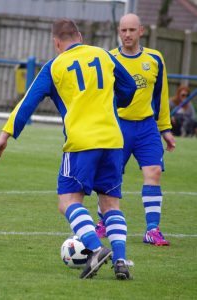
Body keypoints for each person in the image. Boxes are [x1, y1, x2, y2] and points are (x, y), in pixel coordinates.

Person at [0, 19, 136, 280]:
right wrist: (114, 102)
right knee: (111, 204)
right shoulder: (103, 55)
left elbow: (28, 101)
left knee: (67, 201)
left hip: (81, 143)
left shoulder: (55, 66)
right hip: (114, 140)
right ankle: (121, 261)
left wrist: (5, 135)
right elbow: (129, 88)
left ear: (56, 42)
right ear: (79, 36)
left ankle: (95, 248)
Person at [95, 13, 176, 246]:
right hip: (117, 126)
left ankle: (152, 230)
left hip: (147, 127)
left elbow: (161, 96)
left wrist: (165, 129)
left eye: (132, 30)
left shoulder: (154, 59)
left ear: (141, 31)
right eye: (123, 30)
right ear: (119, 32)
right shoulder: (109, 59)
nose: (127, 35)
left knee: (154, 173)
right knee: (110, 177)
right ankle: (102, 222)